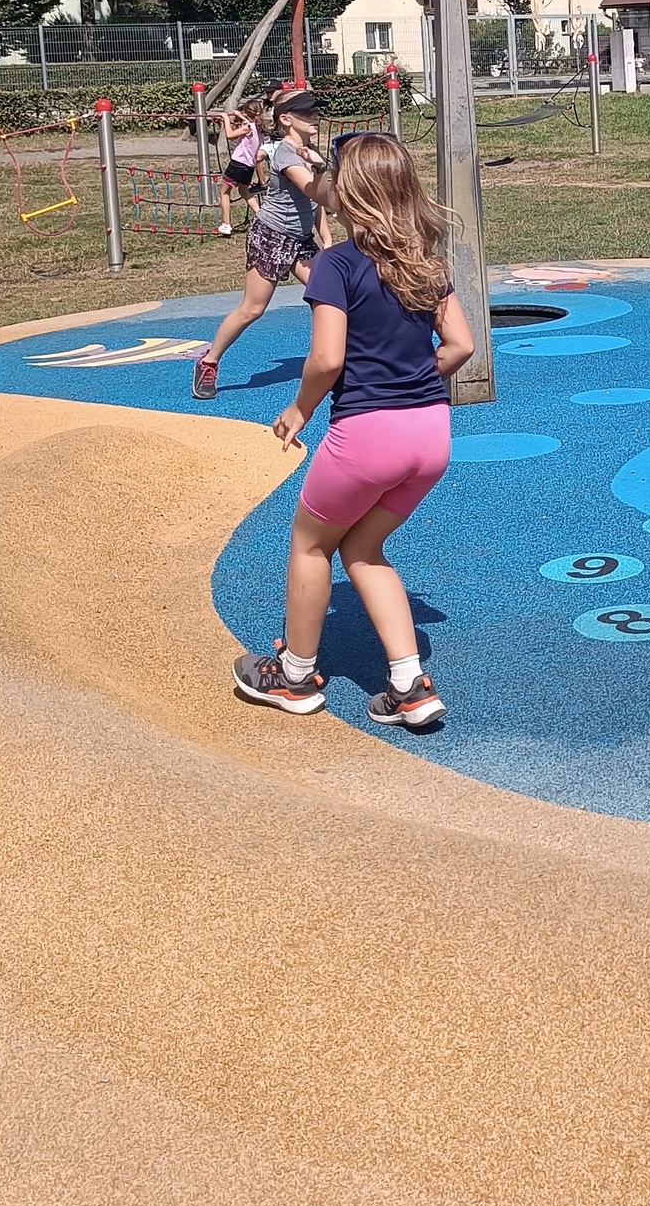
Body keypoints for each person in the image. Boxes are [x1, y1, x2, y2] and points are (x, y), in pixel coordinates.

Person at [232, 130, 473, 731]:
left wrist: (299, 409)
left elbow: (327, 359)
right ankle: (409, 685)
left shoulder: (335, 265)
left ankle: (294, 675)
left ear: (350, 191)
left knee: (311, 543)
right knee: (363, 549)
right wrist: (414, 378)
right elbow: (461, 346)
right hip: (430, 435)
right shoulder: (426, 263)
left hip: (368, 436)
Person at [193, 82, 329, 400]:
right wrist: (322, 169)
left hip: (300, 239)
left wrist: (327, 238)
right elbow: (314, 191)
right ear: (286, 120)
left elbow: (315, 203)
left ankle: (332, 359)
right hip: (271, 236)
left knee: (330, 296)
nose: (314, 116)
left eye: (314, 110)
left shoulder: (310, 150)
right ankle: (209, 361)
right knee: (252, 309)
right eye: (305, 112)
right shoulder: (285, 153)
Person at [214, 99, 265, 237]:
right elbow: (249, 123)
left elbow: (230, 135)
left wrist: (226, 119)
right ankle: (262, 217)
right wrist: (241, 116)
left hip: (238, 164)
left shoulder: (247, 127)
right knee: (244, 191)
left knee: (224, 192)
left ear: (248, 113)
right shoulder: (259, 127)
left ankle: (226, 224)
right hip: (249, 166)